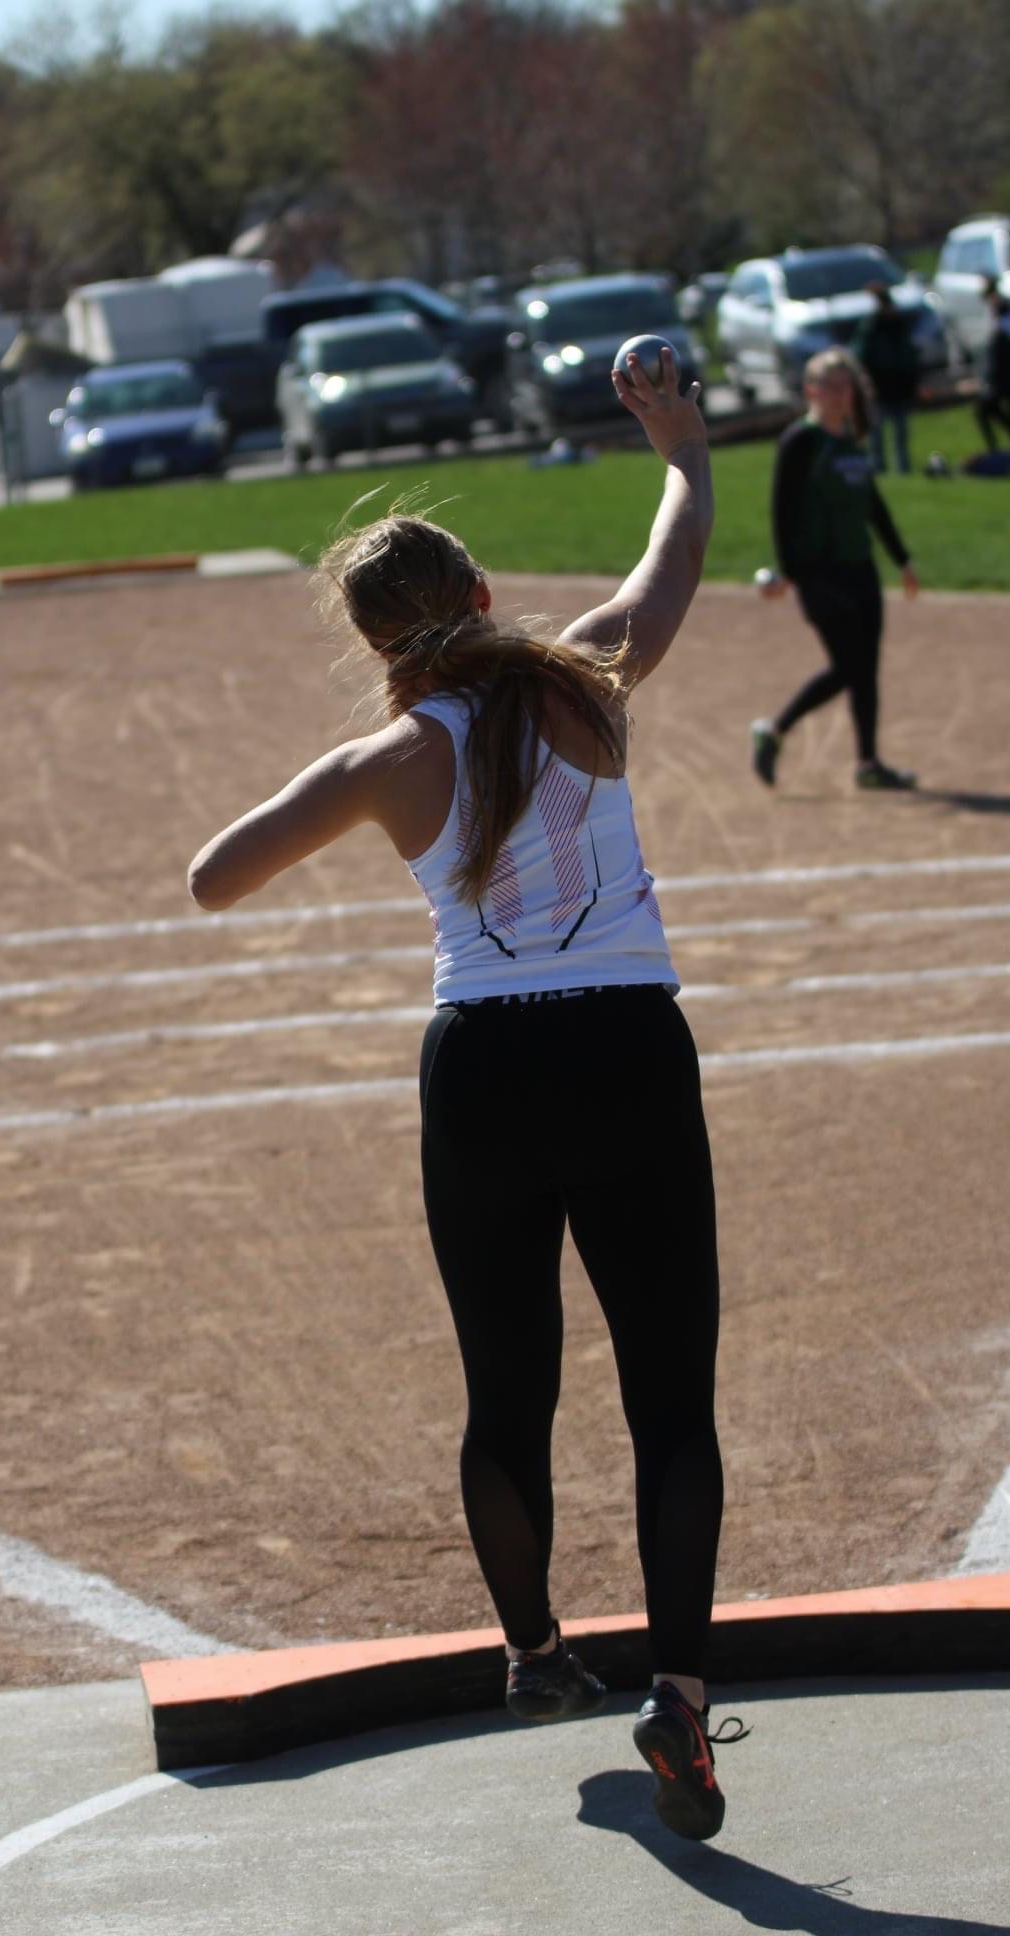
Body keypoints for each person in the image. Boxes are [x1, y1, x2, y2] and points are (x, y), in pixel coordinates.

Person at [187, 345, 747, 1842]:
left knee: (509, 1388)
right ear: (487, 595)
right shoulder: (589, 678)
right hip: (628, 1048)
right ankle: (679, 1699)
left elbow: (213, 878)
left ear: (377, 641)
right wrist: (679, 442)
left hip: (482, 1072)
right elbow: (677, 538)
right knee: (669, 1400)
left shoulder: (387, 758)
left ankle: (536, 1655)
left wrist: (363, 763)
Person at [750, 346, 921, 793]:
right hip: (818, 573)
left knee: (866, 668)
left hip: (860, 568)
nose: (843, 394)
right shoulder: (801, 441)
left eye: (848, 385)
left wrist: (901, 558)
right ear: (812, 390)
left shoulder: (849, 440)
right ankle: (774, 730)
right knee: (849, 666)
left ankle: (868, 763)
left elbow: (872, 503)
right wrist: (789, 571)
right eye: (833, 385)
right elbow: (782, 510)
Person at [851, 281, 918, 475]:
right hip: (879, 384)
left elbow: (908, 356)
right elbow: (861, 354)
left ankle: (902, 466)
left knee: (900, 430)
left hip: (898, 384)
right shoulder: (871, 327)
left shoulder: (898, 326)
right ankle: (878, 465)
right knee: (877, 429)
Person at [975, 275, 1010, 464]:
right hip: (999, 377)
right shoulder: (994, 314)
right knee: (985, 410)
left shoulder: (1009, 314)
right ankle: (998, 446)